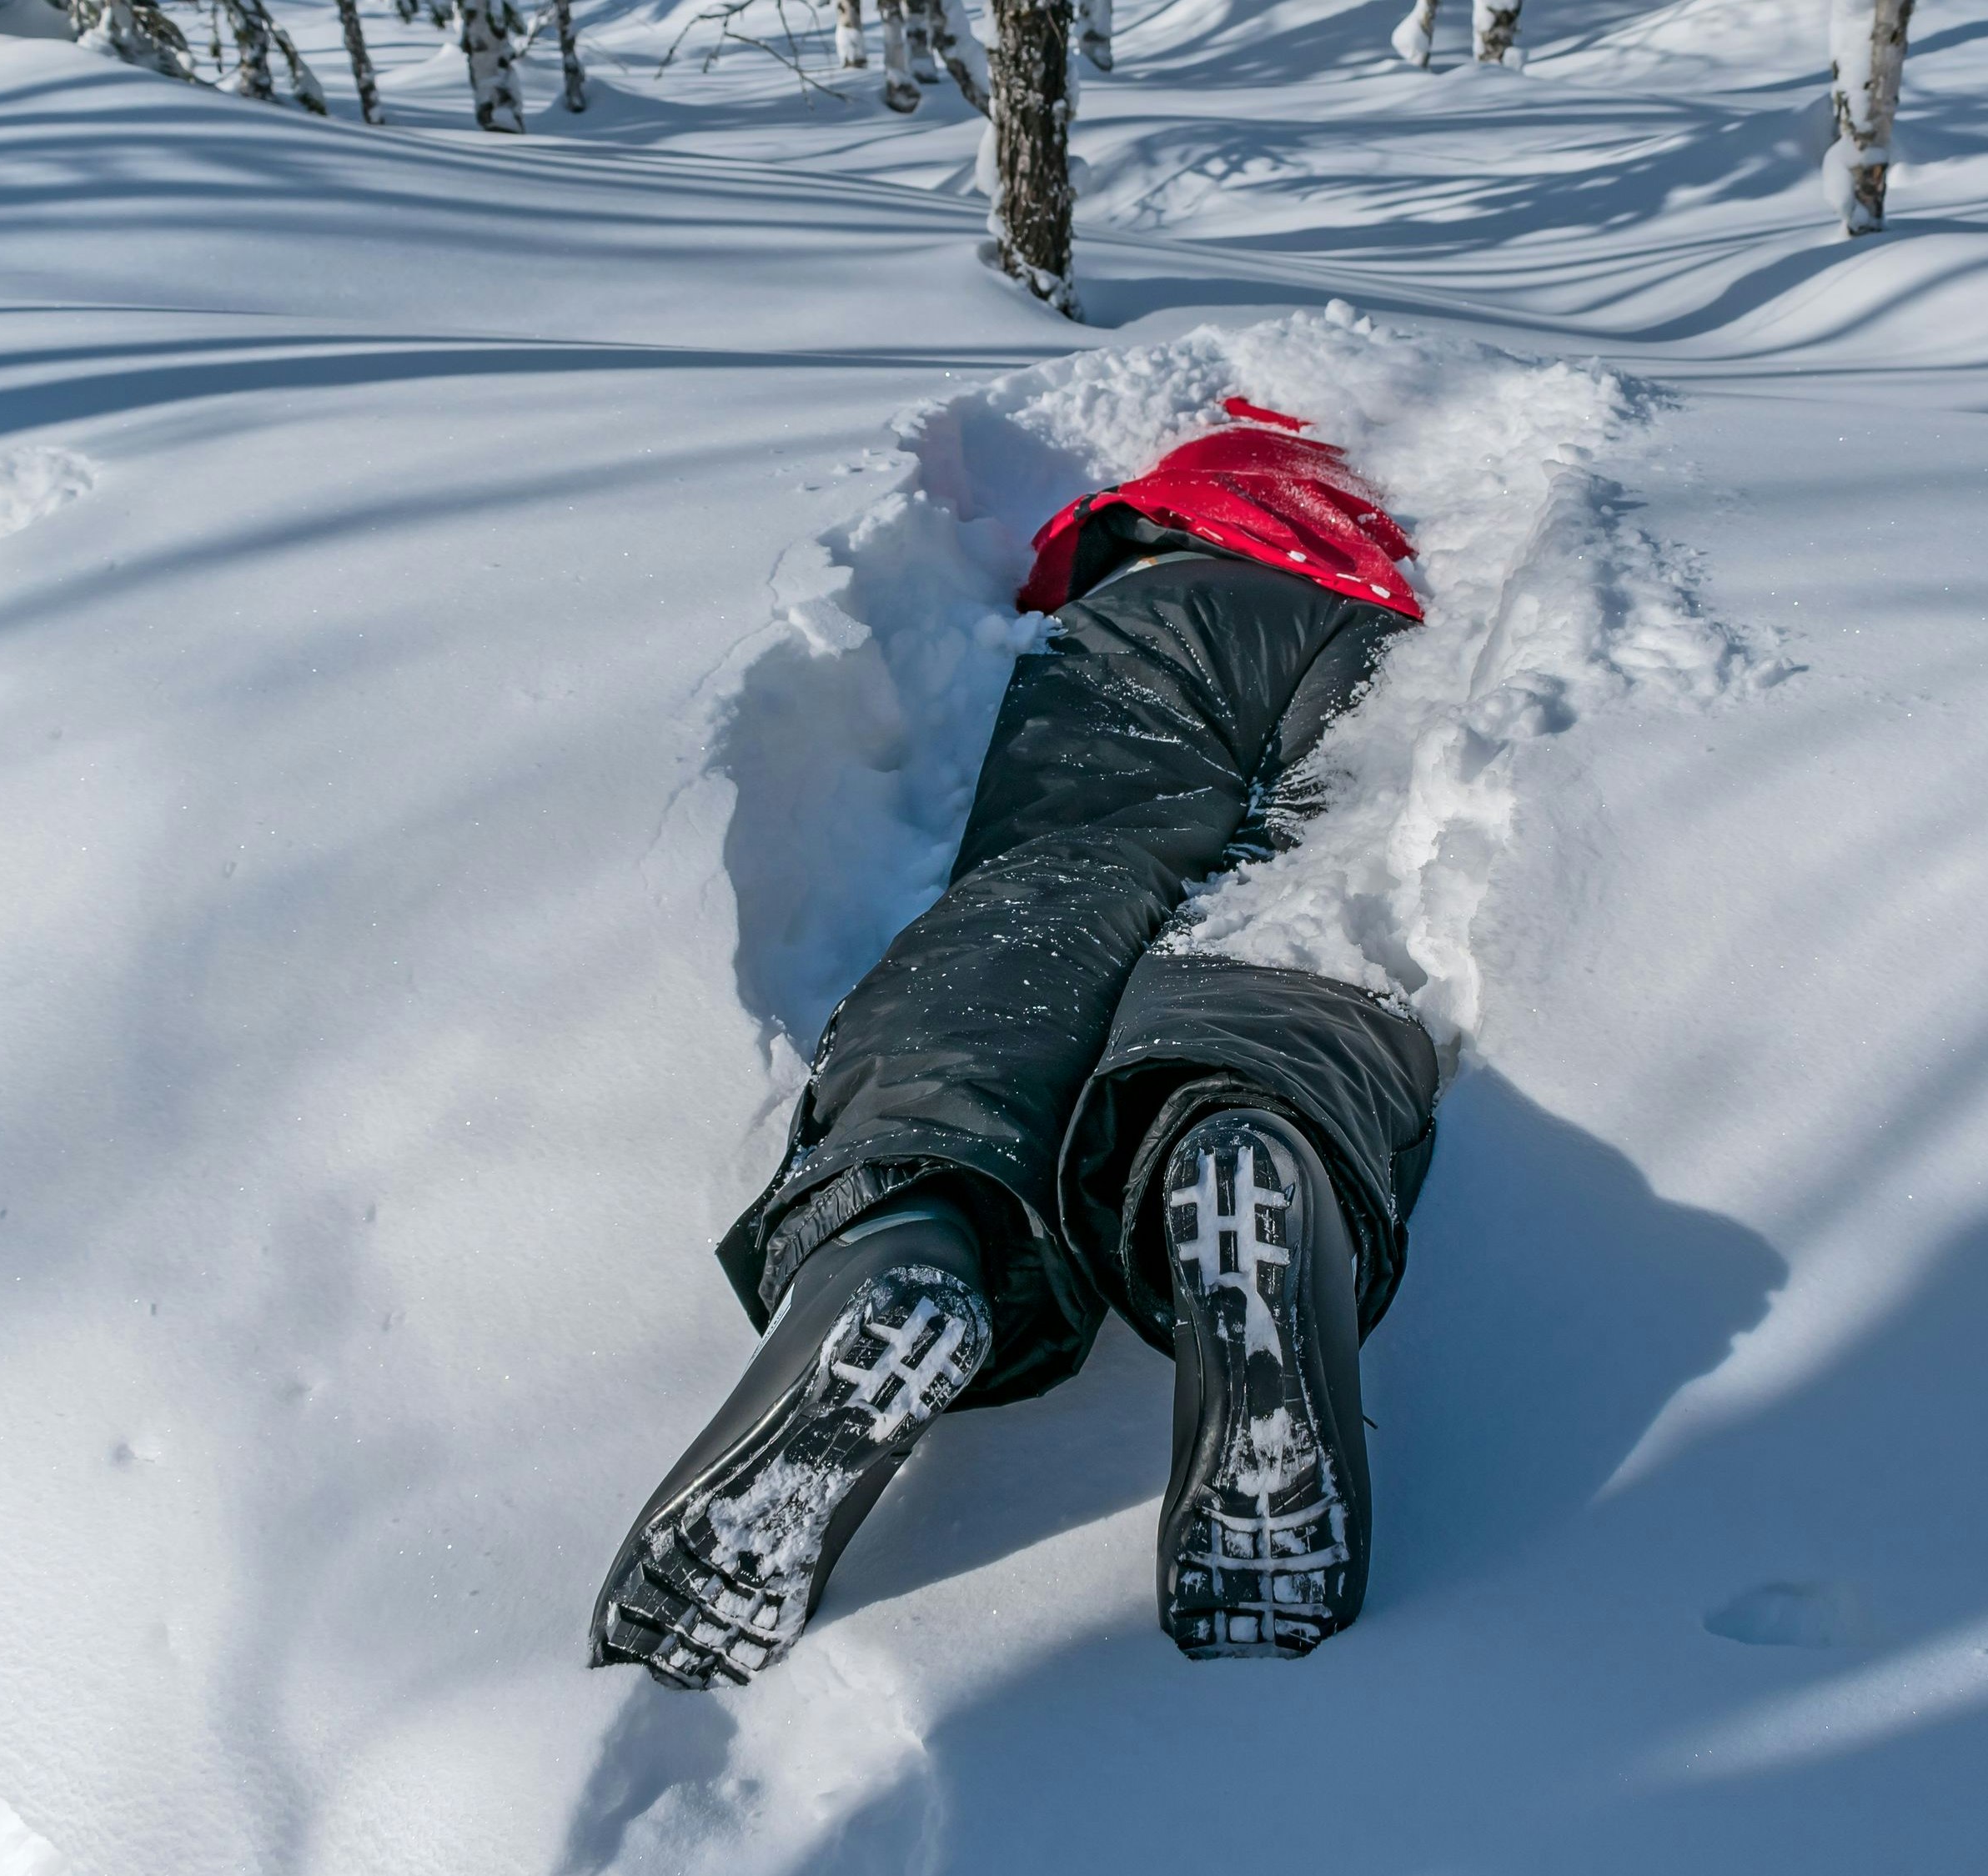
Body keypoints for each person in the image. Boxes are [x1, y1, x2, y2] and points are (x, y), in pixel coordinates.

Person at [590, 399, 1443, 1688]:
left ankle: (916, 1220)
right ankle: (1253, 1132)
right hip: (1359, 632)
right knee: (1306, 912)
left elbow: (1051, 556)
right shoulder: (1373, 498)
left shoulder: (1172, 491)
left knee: (1041, 903)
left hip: (1152, 624)